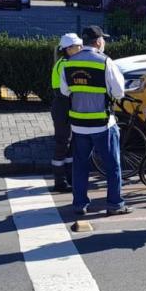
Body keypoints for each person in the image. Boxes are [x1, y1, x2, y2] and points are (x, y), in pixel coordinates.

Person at [59, 25, 131, 216]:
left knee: (80, 166)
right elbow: (119, 92)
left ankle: (79, 204)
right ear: (98, 42)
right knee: (112, 166)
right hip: (103, 124)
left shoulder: (68, 63)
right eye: (103, 39)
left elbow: (65, 91)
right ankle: (115, 204)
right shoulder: (105, 62)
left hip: (79, 125)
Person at [50, 33, 82, 192]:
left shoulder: (65, 62)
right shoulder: (65, 64)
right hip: (63, 106)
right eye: (78, 46)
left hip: (65, 105)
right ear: (69, 49)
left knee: (69, 144)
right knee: (63, 143)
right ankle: (60, 181)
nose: (81, 48)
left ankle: (69, 177)